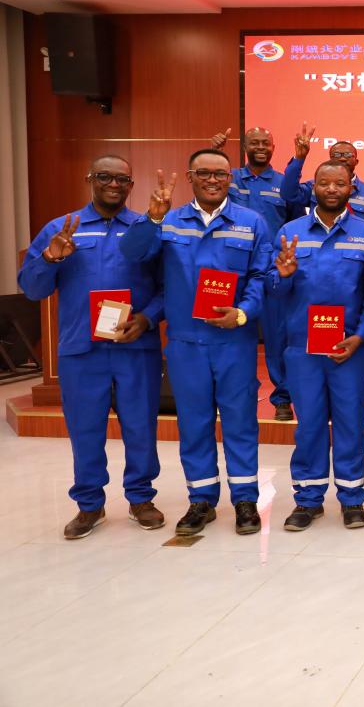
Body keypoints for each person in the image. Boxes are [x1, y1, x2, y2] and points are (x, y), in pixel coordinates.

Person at [120, 149, 271, 535]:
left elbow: (262, 276)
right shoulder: (168, 221)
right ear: (190, 177)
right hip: (185, 342)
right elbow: (134, 255)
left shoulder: (251, 222)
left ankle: (245, 500)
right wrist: (152, 218)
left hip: (234, 340)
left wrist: (243, 313)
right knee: (194, 422)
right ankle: (201, 500)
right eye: (204, 173)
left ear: (230, 179)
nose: (212, 180)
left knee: (240, 421)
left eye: (220, 174)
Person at [19, 156, 165, 539]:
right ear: (90, 179)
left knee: (140, 426)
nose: (113, 184)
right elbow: (32, 288)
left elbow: (169, 287)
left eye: (122, 179)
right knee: (85, 429)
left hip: (135, 346)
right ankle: (89, 504)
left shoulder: (147, 229)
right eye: (104, 177)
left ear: (131, 185)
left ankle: (141, 498)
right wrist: (50, 258)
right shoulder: (61, 229)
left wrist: (147, 318)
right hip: (81, 349)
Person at [268, 161, 364, 531]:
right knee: (310, 425)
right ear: (313, 187)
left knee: (351, 423)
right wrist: (283, 277)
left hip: (348, 348)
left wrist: (361, 335)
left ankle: (352, 498)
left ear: (352, 188)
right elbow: (274, 290)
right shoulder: (290, 233)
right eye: (324, 183)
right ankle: (308, 499)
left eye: (340, 183)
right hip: (302, 349)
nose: (332, 189)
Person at [211, 126, 305, 421]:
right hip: (232, 270)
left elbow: (295, 224)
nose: (261, 147)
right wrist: (214, 153)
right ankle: (232, 396)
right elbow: (209, 194)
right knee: (230, 334)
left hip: (271, 271)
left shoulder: (284, 183)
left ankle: (282, 399)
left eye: (266, 142)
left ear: (274, 147)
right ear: (245, 147)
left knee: (277, 339)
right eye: (255, 142)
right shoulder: (230, 179)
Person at [281, 131, 364, 228]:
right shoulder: (316, 186)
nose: (342, 158)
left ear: (356, 161)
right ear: (330, 160)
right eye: (337, 155)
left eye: (348, 155)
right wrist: (299, 158)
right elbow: (288, 194)